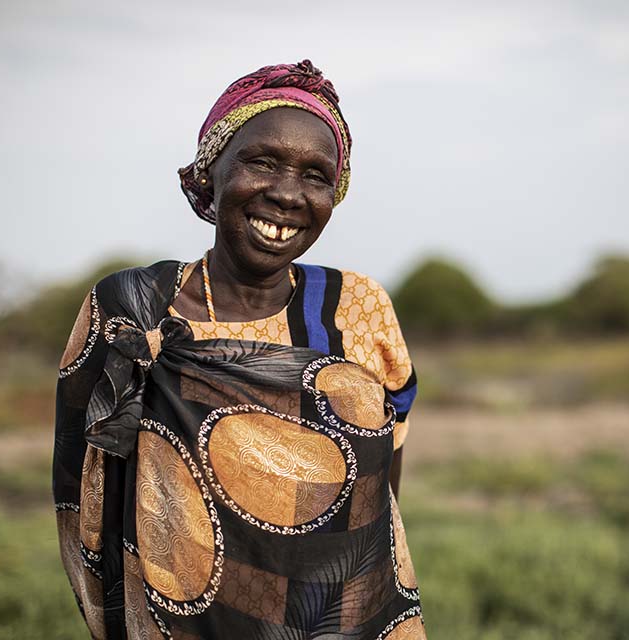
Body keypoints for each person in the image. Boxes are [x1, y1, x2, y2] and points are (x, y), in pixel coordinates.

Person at [53, 60, 425, 639]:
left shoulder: (358, 306)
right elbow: (85, 492)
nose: (286, 194)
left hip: (335, 619)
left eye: (315, 175)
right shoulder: (133, 307)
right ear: (210, 174)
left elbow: (381, 484)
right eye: (262, 162)